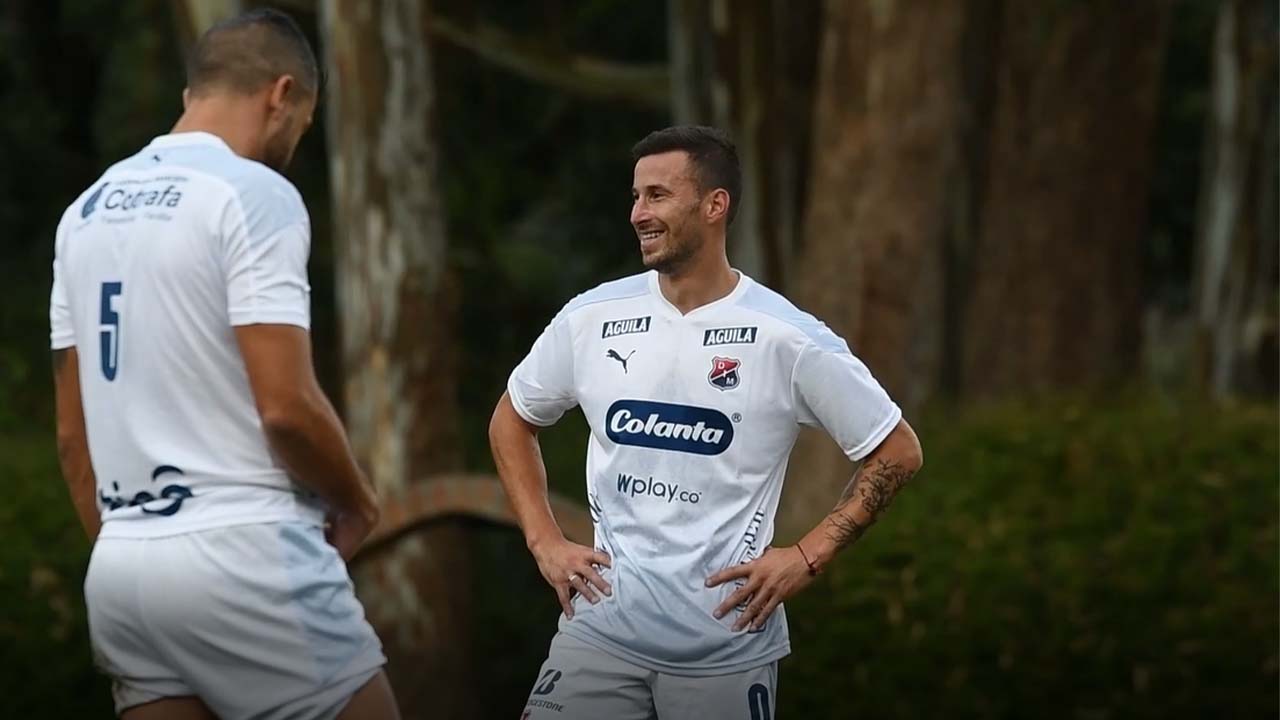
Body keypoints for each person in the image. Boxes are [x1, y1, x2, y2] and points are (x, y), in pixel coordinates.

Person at [490, 125, 924, 719]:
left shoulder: (786, 337)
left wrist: (806, 557)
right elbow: (511, 420)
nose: (639, 213)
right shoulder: (591, 318)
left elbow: (897, 451)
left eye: (658, 196)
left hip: (727, 651)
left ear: (715, 205)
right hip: (599, 636)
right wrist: (544, 543)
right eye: (636, 196)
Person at [50, 9, 399, 720]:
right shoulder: (254, 196)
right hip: (244, 552)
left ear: (191, 96)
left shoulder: (82, 214)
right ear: (281, 95)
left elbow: (70, 437)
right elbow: (286, 408)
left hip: (123, 566)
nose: (296, 141)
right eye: (304, 119)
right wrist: (359, 501)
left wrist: (134, 553)